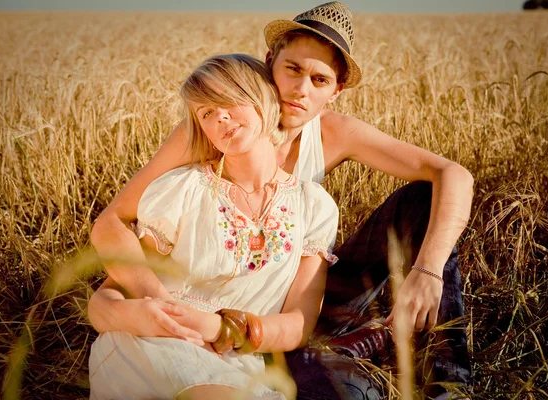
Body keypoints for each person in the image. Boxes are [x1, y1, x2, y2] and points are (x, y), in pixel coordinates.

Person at [88, 2, 474, 398]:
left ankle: (447, 387)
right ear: (269, 60)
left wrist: (427, 270)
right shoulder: (220, 126)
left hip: (297, 292)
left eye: (319, 80)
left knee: (425, 201)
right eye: (292, 69)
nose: (300, 90)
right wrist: (163, 307)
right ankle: (341, 354)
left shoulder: (332, 136)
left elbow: (453, 175)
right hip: (220, 301)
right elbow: (113, 223)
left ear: (336, 91)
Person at [88, 53, 340, 399]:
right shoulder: (182, 190)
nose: (220, 116)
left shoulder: (315, 207)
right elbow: (115, 289)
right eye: (206, 112)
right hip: (156, 345)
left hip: (241, 360)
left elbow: (299, 322)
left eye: (229, 101)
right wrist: (157, 315)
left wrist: (222, 329)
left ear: (262, 100)